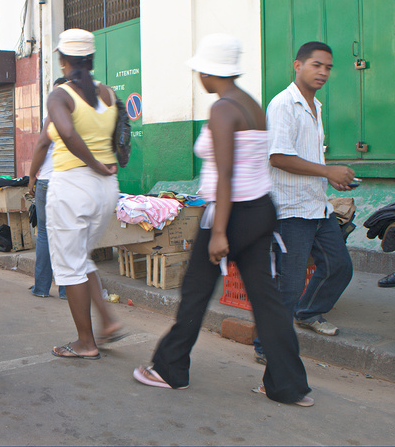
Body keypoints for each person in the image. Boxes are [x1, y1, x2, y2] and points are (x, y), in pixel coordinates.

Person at [133, 34, 313, 407]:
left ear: (210, 71)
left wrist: (218, 232)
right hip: (260, 210)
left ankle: (169, 369)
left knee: (196, 292)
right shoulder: (250, 104)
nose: (198, 76)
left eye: (200, 70)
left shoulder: (223, 108)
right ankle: (287, 385)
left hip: (232, 215)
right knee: (266, 300)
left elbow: (227, 173)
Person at [264, 42, 354, 339]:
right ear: (298, 65)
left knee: (338, 266)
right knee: (288, 285)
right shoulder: (283, 105)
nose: (323, 72)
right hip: (290, 210)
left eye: (328, 67)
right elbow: (278, 157)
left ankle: (307, 312)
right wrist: (327, 171)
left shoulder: (315, 105)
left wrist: (329, 178)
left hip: (317, 205)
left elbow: (306, 156)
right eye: (317, 65)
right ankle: (267, 347)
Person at [46, 29, 124, 360]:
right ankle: (108, 320)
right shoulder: (108, 93)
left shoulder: (60, 95)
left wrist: (93, 163)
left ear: (63, 60)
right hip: (106, 189)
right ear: (90, 60)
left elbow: (66, 132)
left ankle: (85, 343)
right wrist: (107, 164)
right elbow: (120, 134)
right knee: (80, 257)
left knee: (70, 266)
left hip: (73, 185)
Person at [27, 78, 69, 300]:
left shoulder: (52, 117)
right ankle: (67, 290)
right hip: (70, 182)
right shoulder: (82, 117)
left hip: (48, 181)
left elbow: (42, 145)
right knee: (66, 234)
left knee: (44, 233)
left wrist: (31, 176)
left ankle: (42, 288)